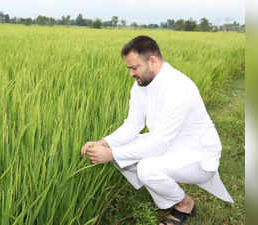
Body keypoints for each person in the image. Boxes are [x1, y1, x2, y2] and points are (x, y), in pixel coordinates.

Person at [80, 35, 233, 225]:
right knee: (123, 151)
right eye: (129, 69)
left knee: (145, 167)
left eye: (134, 68)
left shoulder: (179, 87)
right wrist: (103, 143)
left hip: (197, 154)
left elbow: (160, 142)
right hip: (170, 145)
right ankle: (165, 193)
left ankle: (185, 205)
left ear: (152, 61)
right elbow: (132, 125)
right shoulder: (141, 85)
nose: (131, 74)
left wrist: (111, 154)